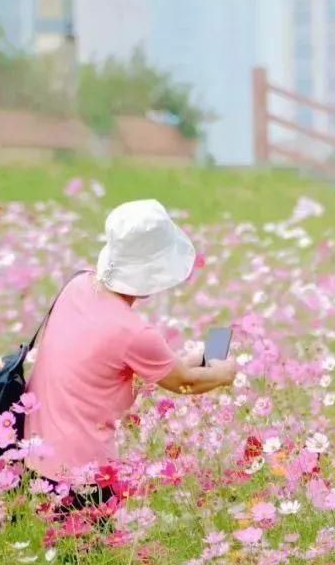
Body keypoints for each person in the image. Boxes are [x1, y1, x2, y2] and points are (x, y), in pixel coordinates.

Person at [23, 199, 236, 514]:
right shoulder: (134, 332)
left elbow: (103, 366)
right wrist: (224, 373)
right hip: (82, 475)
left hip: (34, 459)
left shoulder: (77, 285)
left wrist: (184, 361)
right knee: (97, 561)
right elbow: (183, 383)